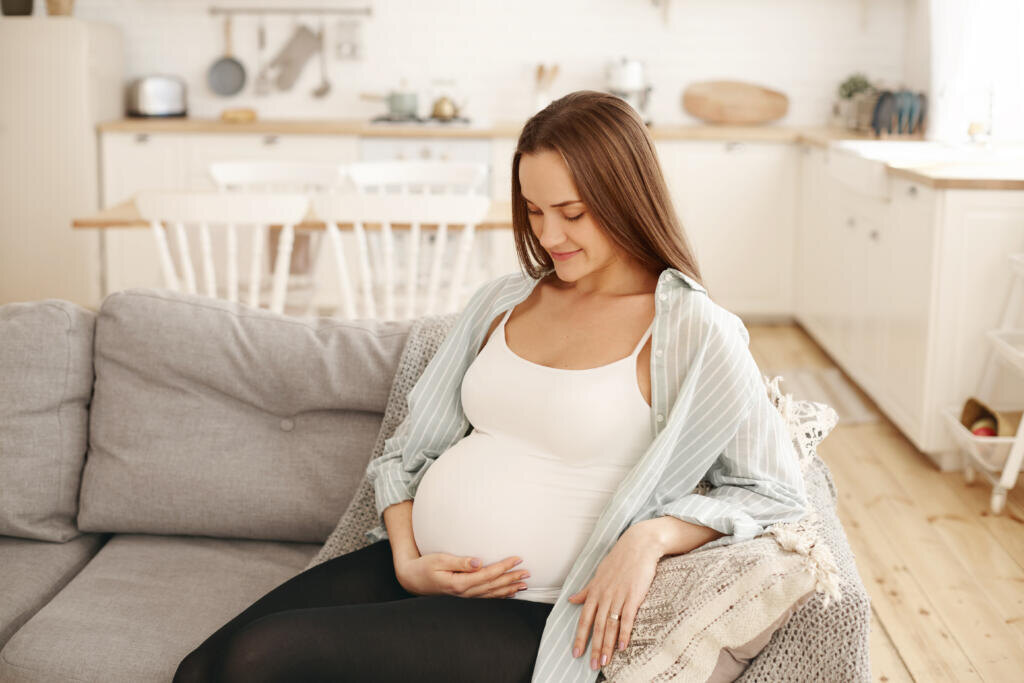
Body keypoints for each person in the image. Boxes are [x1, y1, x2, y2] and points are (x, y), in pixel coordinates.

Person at [173, 90, 807, 683]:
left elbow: (772, 489)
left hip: (531, 612)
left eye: (572, 213)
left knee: (257, 658)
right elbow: (407, 451)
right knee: (199, 669)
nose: (549, 235)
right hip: (423, 573)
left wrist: (651, 536)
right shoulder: (505, 301)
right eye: (533, 211)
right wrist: (407, 561)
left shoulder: (694, 331)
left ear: (625, 198)